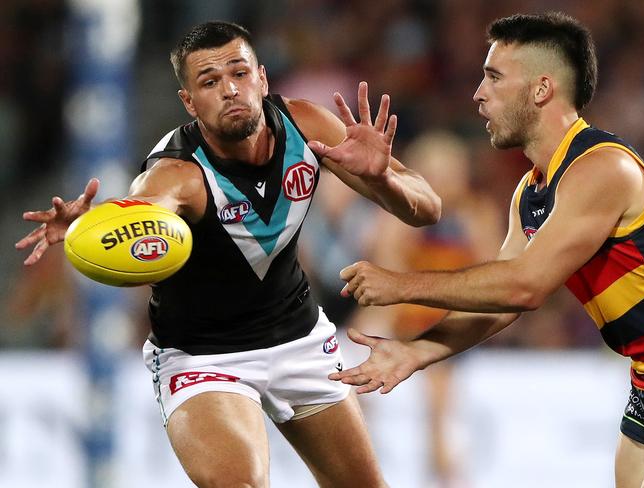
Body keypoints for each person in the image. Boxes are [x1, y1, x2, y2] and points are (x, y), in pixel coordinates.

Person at [15, 21, 441, 488]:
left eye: (239, 73)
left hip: (298, 339)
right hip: (204, 357)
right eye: (210, 82)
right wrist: (96, 228)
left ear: (262, 77)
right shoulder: (174, 175)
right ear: (189, 102)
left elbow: (427, 210)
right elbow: (144, 216)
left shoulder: (310, 127)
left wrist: (384, 180)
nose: (230, 90)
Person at [333, 12, 644, 488]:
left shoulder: (602, 168)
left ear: (541, 89)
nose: (478, 94)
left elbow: (525, 286)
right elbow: (502, 298)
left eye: (494, 77)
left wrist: (399, 285)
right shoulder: (531, 191)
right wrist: (415, 353)